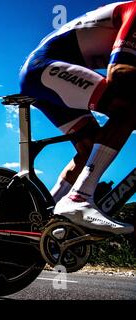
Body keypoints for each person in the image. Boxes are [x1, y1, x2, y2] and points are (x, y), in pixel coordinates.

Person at [17, 2, 136, 234]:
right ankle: (79, 198)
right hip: (44, 68)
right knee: (128, 107)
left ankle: (44, 221)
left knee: (88, 147)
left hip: (47, 73)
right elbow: (119, 74)